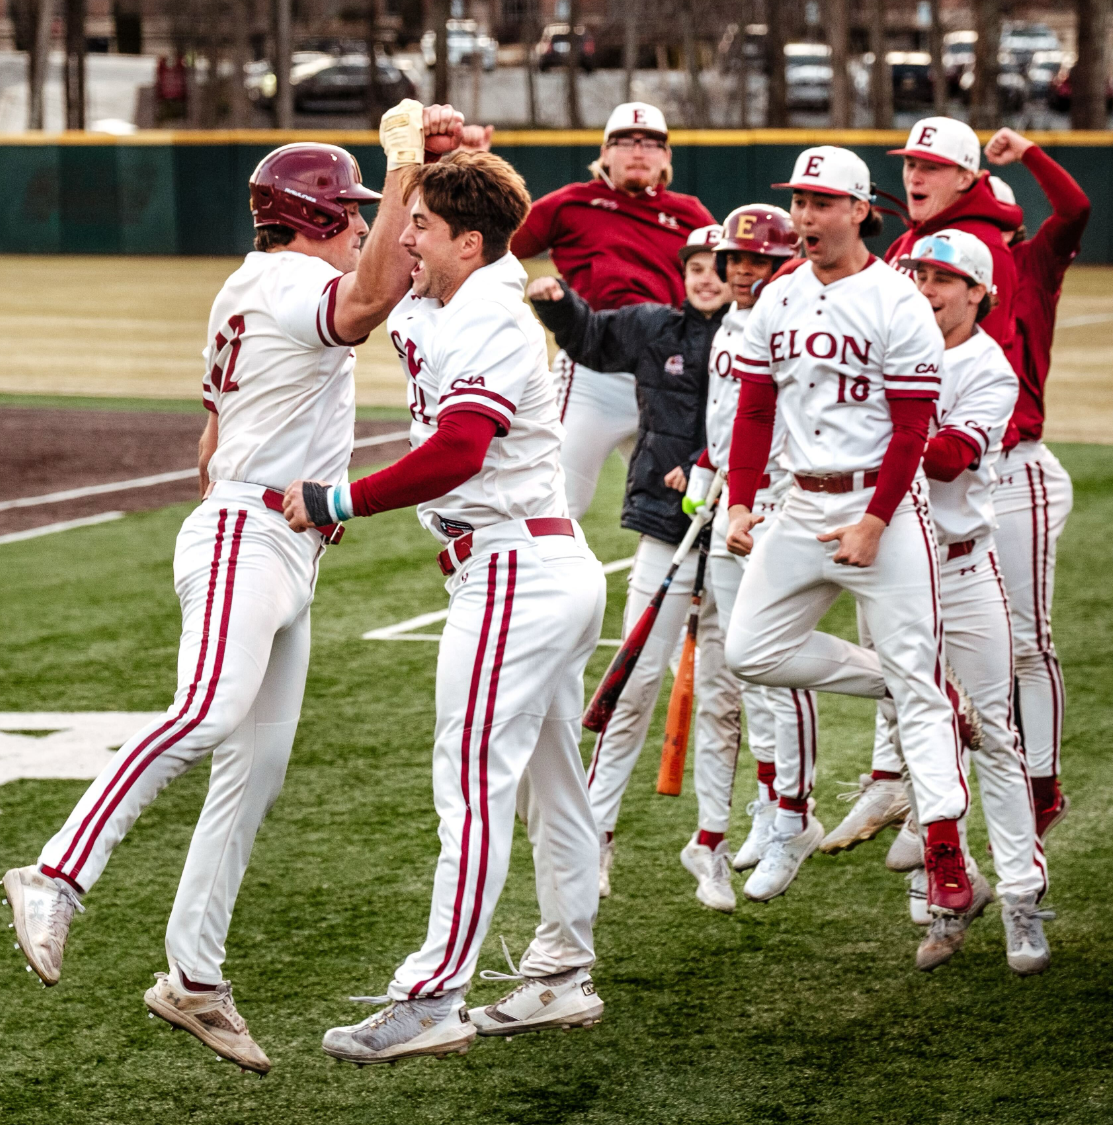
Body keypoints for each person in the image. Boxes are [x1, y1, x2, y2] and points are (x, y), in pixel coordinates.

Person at [0, 105, 464, 1073]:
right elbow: (371, 298)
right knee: (207, 712)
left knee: (255, 771)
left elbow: (207, 439)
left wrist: (443, 171)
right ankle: (54, 873)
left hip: (277, 538)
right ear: (312, 215)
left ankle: (193, 980)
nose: (361, 226)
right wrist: (409, 164)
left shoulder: (257, 283)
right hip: (248, 536)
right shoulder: (291, 277)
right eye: (352, 212)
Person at [288, 150, 609, 1065]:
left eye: (422, 226)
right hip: (525, 563)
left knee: (471, 788)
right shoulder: (449, 297)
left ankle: (432, 996)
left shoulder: (497, 320)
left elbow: (460, 450)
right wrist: (420, 162)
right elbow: (390, 281)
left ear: (469, 241)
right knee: (554, 784)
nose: (404, 239)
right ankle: (561, 971)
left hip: (517, 568)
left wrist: (338, 498)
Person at [719, 146, 966, 923]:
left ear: (861, 209)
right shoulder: (779, 296)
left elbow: (913, 425)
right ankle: (900, 680)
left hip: (880, 509)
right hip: (799, 506)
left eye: (821, 203)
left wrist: (876, 519)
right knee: (749, 649)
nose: (804, 217)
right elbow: (756, 408)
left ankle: (945, 851)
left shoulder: (897, 299)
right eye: (799, 201)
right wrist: (739, 499)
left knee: (922, 691)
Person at [525, 224, 729, 899]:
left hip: (737, 534)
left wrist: (710, 473)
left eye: (718, 266)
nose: (705, 277)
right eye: (695, 266)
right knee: (633, 684)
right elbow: (590, 337)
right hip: (665, 530)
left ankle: (718, 838)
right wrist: (557, 305)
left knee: (729, 690)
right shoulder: (651, 326)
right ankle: (596, 837)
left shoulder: (756, 338)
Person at [887, 229, 1051, 975]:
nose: (926, 287)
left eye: (943, 278)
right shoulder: (889, 340)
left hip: (959, 568)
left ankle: (1022, 896)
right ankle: (947, 896)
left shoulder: (988, 365)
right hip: (892, 569)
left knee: (991, 733)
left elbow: (952, 456)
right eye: (920, 272)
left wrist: (875, 420)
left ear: (978, 292)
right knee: (921, 732)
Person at [676, 204, 824, 911]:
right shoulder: (734, 326)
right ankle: (769, 803)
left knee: (772, 662)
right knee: (744, 661)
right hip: (733, 503)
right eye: (735, 260)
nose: (741, 271)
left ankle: (788, 807)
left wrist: (765, 497)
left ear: (782, 262)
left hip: (776, 507)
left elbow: (793, 422)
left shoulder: (794, 326)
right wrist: (709, 476)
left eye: (755, 261)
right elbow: (725, 418)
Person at [511, 102, 717, 518]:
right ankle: (538, 581)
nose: (638, 151)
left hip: (669, 373)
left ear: (666, 157)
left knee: (684, 507)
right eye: (626, 142)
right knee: (555, 501)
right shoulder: (571, 204)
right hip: (595, 370)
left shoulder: (689, 214)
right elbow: (498, 247)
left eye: (651, 143)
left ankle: (680, 585)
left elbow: (728, 279)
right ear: (604, 152)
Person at [983, 127, 1091, 836]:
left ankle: (1044, 781)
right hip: (950, 476)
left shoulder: (1031, 263)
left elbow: (1075, 208)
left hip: (1018, 467)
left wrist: (1029, 155)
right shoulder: (913, 279)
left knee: (1026, 639)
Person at [881, 116, 1026, 372]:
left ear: (964, 178)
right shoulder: (905, 242)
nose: (914, 177)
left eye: (930, 168)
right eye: (910, 164)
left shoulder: (986, 248)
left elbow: (982, 359)